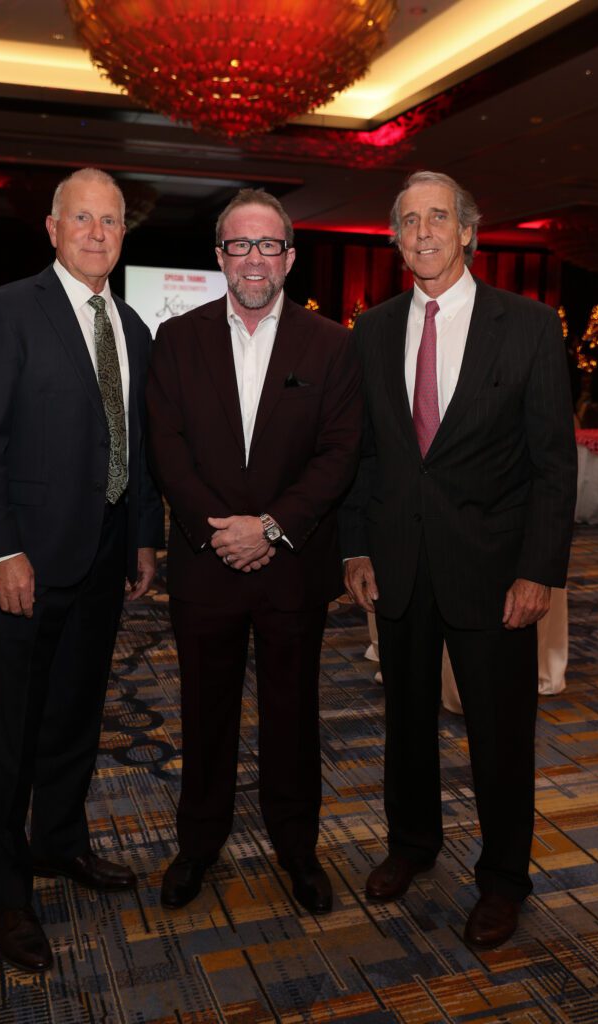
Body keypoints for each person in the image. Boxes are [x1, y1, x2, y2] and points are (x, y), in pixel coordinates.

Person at [340, 171, 576, 950]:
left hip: (495, 571)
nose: (423, 233)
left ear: (468, 231)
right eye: (408, 222)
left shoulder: (530, 327)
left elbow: (552, 463)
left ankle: (503, 879)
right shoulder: (370, 330)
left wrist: (539, 569)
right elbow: (365, 454)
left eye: (437, 218)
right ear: (395, 238)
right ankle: (411, 844)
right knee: (404, 722)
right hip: (401, 565)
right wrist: (357, 547)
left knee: (499, 735)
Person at [0, 168, 164, 973]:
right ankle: (8, 894)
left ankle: (60, 843)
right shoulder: (8, 310)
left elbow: (135, 449)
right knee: (10, 731)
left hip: (106, 558)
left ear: (121, 234)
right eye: (81, 218)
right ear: (51, 227)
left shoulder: (134, 328)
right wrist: (1, 550)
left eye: (109, 221)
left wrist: (144, 538)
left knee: (76, 713)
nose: (96, 233)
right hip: (27, 563)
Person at [146, 188, 362, 915]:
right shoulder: (176, 341)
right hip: (205, 564)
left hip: (291, 567)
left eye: (268, 245)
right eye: (239, 245)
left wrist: (268, 527)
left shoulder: (330, 343)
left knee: (293, 714)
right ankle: (198, 843)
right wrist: (221, 528)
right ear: (218, 256)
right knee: (203, 713)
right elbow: (166, 448)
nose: (253, 259)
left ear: (290, 257)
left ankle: (296, 848)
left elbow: (338, 454)